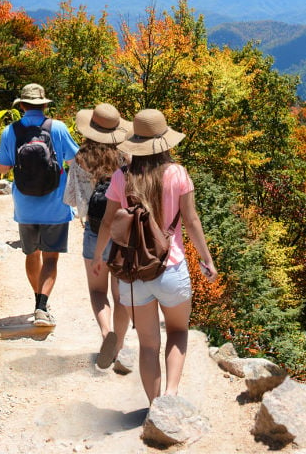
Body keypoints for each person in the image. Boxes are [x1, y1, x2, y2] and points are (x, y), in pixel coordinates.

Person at [92, 108, 217, 404]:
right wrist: (206, 259)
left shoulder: (122, 177)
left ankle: (153, 406)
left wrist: (99, 257)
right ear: (164, 142)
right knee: (177, 332)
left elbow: (108, 222)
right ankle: (170, 397)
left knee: (148, 345)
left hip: (134, 272)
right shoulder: (177, 174)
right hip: (171, 268)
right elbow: (191, 220)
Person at [0, 83, 79, 327]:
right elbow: (74, 159)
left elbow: (3, 167)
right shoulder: (59, 128)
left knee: (31, 253)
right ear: (45, 105)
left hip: (25, 205)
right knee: (51, 258)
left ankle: (38, 301)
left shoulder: (9, 131)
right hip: (55, 205)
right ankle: (42, 307)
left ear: (21, 106)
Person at [64, 102, 133, 372]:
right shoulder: (126, 159)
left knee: (97, 290)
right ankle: (120, 345)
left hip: (94, 230)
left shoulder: (80, 159)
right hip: (123, 233)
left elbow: (71, 200)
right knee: (121, 294)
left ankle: (106, 333)